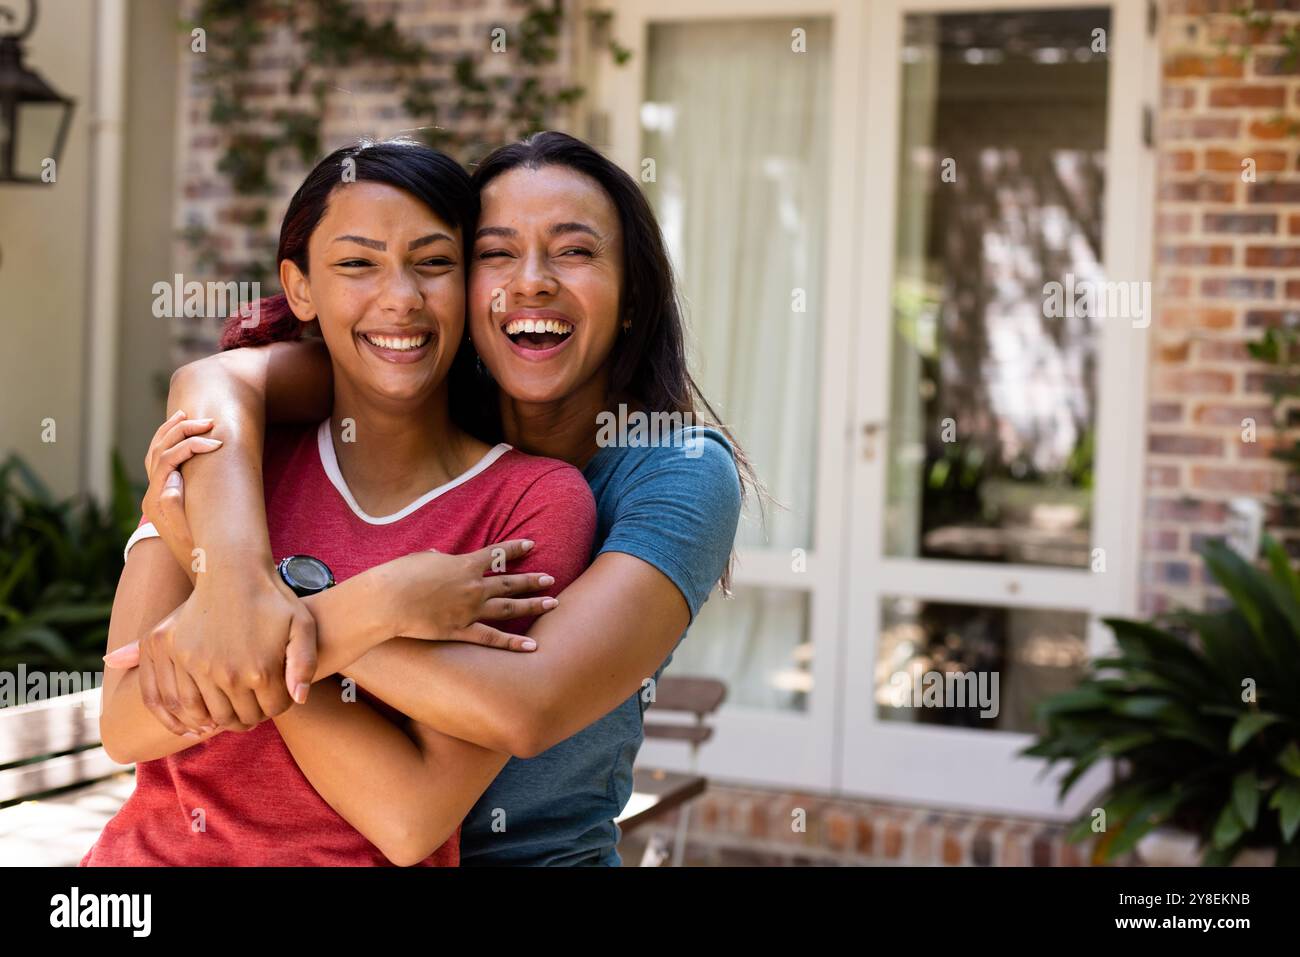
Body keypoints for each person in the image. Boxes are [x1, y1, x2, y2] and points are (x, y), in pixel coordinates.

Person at [121, 131, 751, 865]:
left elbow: (525, 703)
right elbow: (219, 383)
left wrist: (260, 605)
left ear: (634, 293)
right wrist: (234, 575)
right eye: (495, 253)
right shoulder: (419, 381)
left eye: (574, 251)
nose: (533, 281)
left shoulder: (677, 472)